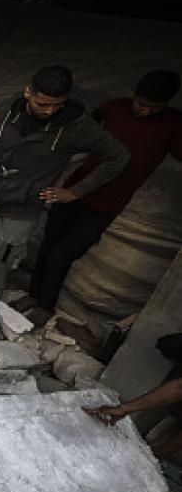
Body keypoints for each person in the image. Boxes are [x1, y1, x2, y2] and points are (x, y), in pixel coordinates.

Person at [0, 66, 129, 354]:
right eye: (42, 103)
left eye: (57, 105)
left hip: (18, 215)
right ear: (28, 92)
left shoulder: (75, 126)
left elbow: (118, 156)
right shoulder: (9, 113)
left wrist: (75, 192)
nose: (49, 111)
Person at [28, 70, 182, 322]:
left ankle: (45, 307)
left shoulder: (173, 125)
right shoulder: (115, 108)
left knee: (62, 254)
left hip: (105, 205)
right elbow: (82, 123)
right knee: (48, 244)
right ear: (133, 92)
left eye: (153, 108)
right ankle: (33, 296)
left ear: (165, 104)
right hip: (72, 192)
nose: (144, 111)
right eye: (140, 103)